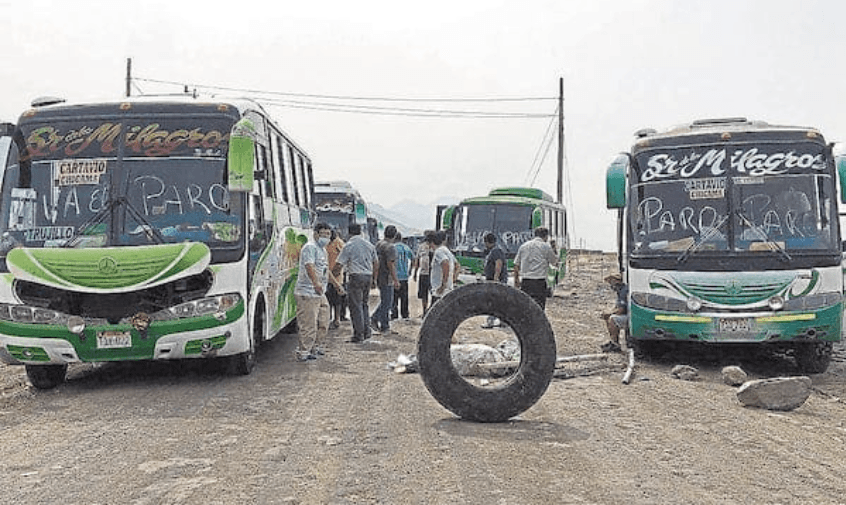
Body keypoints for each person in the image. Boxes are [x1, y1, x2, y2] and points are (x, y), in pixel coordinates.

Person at [294, 222, 344, 361]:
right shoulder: (309, 248)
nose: (326, 237)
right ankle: (304, 352)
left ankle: (316, 347)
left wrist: (336, 285)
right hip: (307, 292)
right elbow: (309, 265)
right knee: (308, 323)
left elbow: (325, 270)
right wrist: (315, 283)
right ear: (316, 234)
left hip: (320, 293)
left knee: (323, 320)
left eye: (328, 234)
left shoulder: (323, 250)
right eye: (323, 234)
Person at [336, 223, 378, 343]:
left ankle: (358, 334)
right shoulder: (369, 245)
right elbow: (376, 262)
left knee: (355, 306)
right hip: (368, 276)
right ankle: (367, 331)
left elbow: (339, 264)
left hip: (355, 276)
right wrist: (374, 279)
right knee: (364, 304)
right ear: (360, 231)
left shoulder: (349, 245)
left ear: (349, 232)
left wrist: (332, 276)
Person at [513, 227, 558, 310]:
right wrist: (554, 249)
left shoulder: (524, 246)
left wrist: (516, 280)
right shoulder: (545, 247)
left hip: (526, 282)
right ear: (546, 237)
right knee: (539, 308)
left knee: (525, 307)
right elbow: (555, 263)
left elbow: (516, 265)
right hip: (539, 282)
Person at [371, 225, 400, 334]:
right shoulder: (390, 247)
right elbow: (391, 264)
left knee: (385, 301)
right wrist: (395, 279)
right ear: (395, 235)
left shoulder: (378, 244)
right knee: (387, 302)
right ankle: (381, 323)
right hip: (387, 278)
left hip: (379, 276)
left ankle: (382, 323)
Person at [481, 232, 508, 329]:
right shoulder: (494, 250)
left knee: (492, 302)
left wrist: (495, 279)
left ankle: (490, 322)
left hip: (496, 281)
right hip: (494, 280)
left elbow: (498, 263)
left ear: (487, 242)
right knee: (499, 302)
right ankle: (503, 321)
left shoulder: (496, 251)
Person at [600, 273, 628, 353]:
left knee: (612, 319)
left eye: (611, 281)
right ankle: (614, 341)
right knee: (608, 317)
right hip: (626, 314)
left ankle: (615, 343)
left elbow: (621, 310)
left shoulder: (624, 291)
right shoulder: (619, 291)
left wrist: (609, 313)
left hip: (630, 316)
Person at [429, 230, 459, 305]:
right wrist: (453, 279)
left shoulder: (439, 251)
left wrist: (443, 285)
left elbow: (445, 263)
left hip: (439, 292)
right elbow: (457, 266)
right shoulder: (447, 251)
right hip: (447, 291)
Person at [325, 228, 346, 330]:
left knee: (337, 300)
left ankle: (337, 319)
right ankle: (328, 318)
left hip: (337, 276)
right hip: (326, 275)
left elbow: (344, 257)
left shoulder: (339, 243)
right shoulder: (325, 244)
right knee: (328, 299)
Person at [391, 231, 414, 320]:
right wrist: (410, 270)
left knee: (394, 298)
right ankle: (405, 314)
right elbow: (414, 259)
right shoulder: (406, 248)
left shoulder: (392, 247)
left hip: (394, 276)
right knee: (404, 297)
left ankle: (394, 314)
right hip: (404, 276)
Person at [413, 230, 435, 316]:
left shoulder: (435, 248)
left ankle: (431, 311)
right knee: (423, 294)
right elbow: (417, 260)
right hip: (423, 274)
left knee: (433, 293)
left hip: (433, 274)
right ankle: (424, 311)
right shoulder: (421, 247)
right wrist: (415, 273)